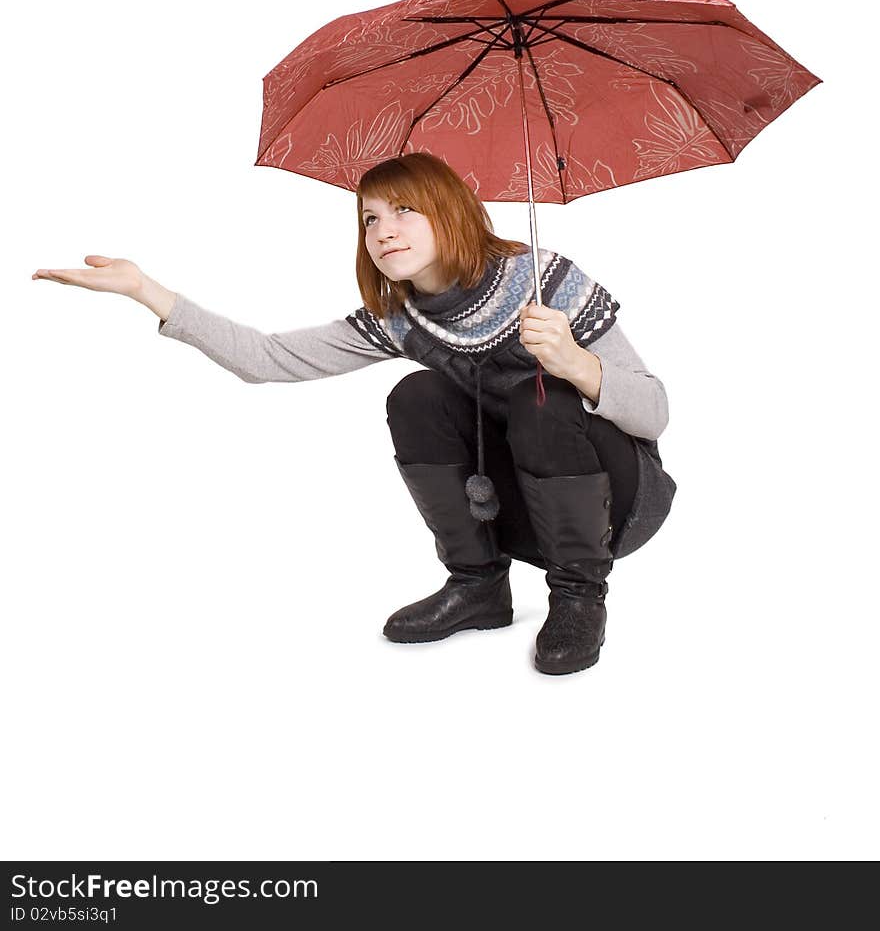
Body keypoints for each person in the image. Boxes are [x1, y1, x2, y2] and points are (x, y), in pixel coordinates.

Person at [31, 152, 676, 675]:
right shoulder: (403, 318)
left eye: (403, 211)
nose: (383, 231)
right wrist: (147, 291)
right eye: (369, 219)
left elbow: (655, 414)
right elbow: (268, 358)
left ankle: (578, 597)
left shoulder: (547, 281)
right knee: (417, 397)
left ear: (450, 212)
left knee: (543, 399)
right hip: (514, 508)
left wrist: (574, 363)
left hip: (614, 504)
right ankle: (479, 585)